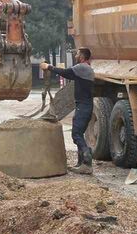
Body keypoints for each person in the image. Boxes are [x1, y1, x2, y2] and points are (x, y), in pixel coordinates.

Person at [40, 47, 95, 175]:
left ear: (82, 56)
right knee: (79, 134)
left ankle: (87, 163)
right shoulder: (86, 69)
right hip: (84, 105)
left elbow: (65, 72)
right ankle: (81, 163)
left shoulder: (82, 67)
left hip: (84, 106)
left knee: (76, 134)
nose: (75, 55)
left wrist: (48, 66)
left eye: (77, 54)